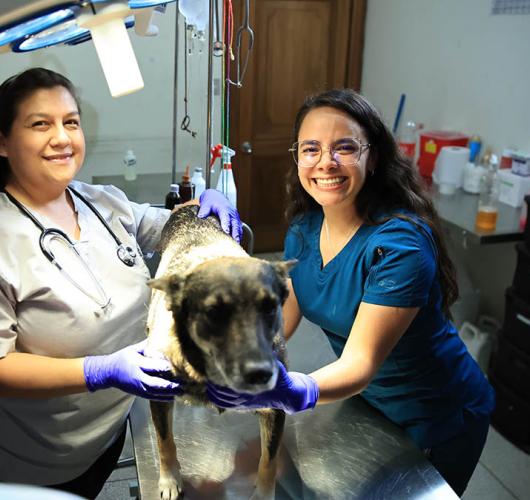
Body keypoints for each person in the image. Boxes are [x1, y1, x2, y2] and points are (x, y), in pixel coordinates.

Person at [0, 67, 241, 498]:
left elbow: (165, 226)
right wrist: (100, 370)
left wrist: (203, 206)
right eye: (41, 124)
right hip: (25, 458)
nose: (62, 138)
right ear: (1, 142)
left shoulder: (99, 201)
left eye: (71, 122)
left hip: (104, 433)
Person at [206, 88, 494, 496]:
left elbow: (361, 362)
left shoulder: (399, 246)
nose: (326, 162)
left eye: (344, 147)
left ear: (372, 157)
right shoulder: (304, 229)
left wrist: (289, 391)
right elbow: (283, 315)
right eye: (311, 149)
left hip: (437, 415)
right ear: (297, 158)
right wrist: (234, 355)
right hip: (370, 403)